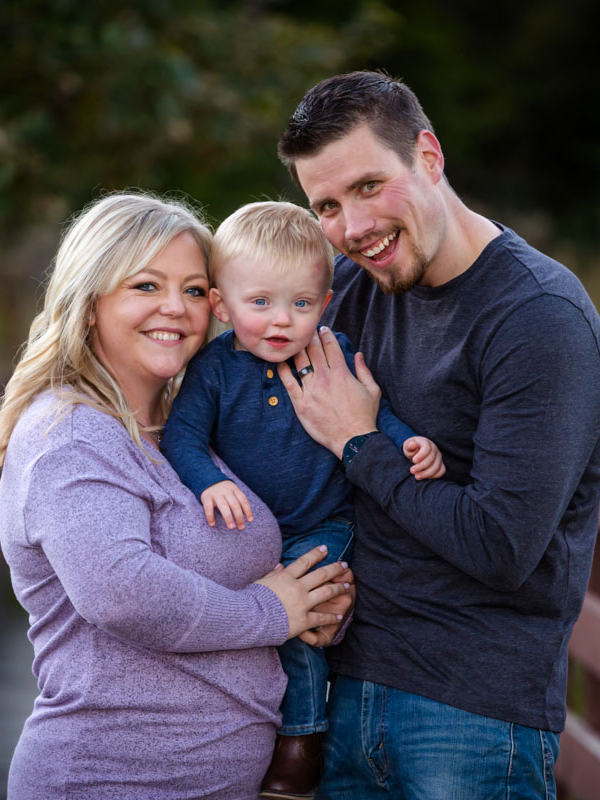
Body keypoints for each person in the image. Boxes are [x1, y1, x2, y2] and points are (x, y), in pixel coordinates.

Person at [274, 71, 600, 799]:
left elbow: (502, 548)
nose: (353, 226)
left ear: (428, 157)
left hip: (471, 718)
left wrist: (361, 444)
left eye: (370, 187)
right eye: (327, 206)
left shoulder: (537, 319)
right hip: (343, 698)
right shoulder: (347, 294)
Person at [0, 192, 355, 799]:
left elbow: (255, 567)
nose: (176, 308)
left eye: (195, 289)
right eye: (146, 286)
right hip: (113, 779)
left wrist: (316, 603)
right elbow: (122, 591)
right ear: (90, 302)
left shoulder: (188, 432)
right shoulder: (72, 434)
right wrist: (273, 612)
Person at [160, 201, 445, 799]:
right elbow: (183, 436)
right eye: (259, 303)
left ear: (326, 300)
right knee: (253, 617)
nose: (280, 322)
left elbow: (376, 412)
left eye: (301, 303)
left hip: (322, 521)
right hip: (242, 530)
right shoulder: (213, 370)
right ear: (221, 305)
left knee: (300, 618)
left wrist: (409, 442)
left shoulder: (328, 352)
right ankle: (250, 729)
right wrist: (209, 482)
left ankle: (302, 739)